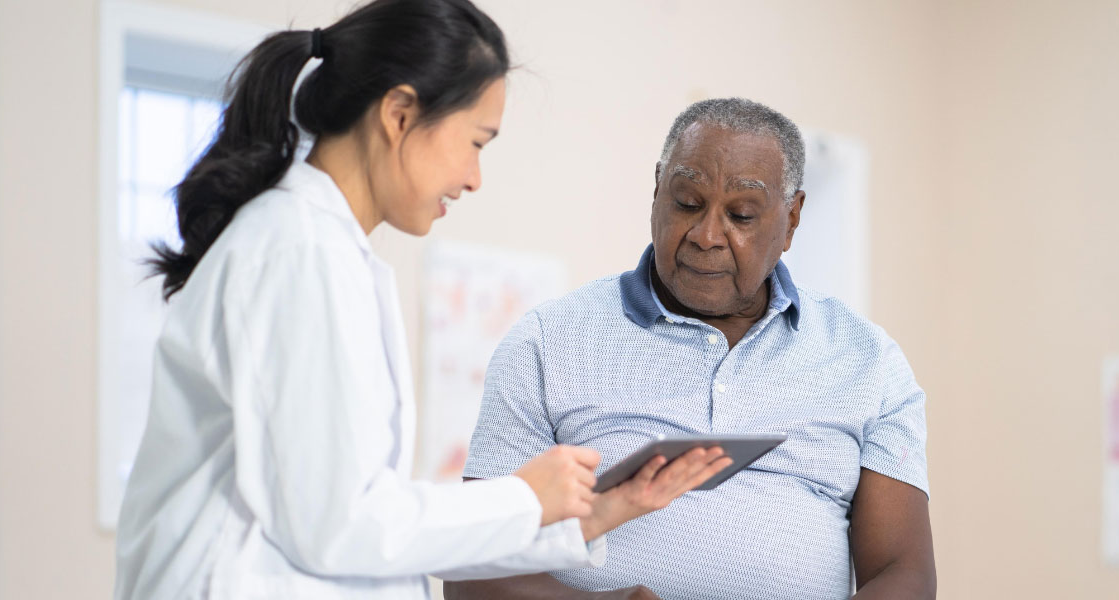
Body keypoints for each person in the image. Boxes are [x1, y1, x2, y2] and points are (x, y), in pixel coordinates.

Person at [113, 1, 733, 598]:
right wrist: (524, 496)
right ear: (400, 114)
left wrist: (590, 515)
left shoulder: (326, 250)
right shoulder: (301, 251)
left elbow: (369, 522)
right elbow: (339, 526)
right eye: (476, 142)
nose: (473, 178)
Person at [447, 98, 936, 599]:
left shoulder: (869, 361)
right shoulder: (547, 343)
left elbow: (904, 574)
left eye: (741, 215)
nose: (706, 236)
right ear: (657, 191)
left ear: (791, 219)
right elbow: (474, 570)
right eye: (686, 203)